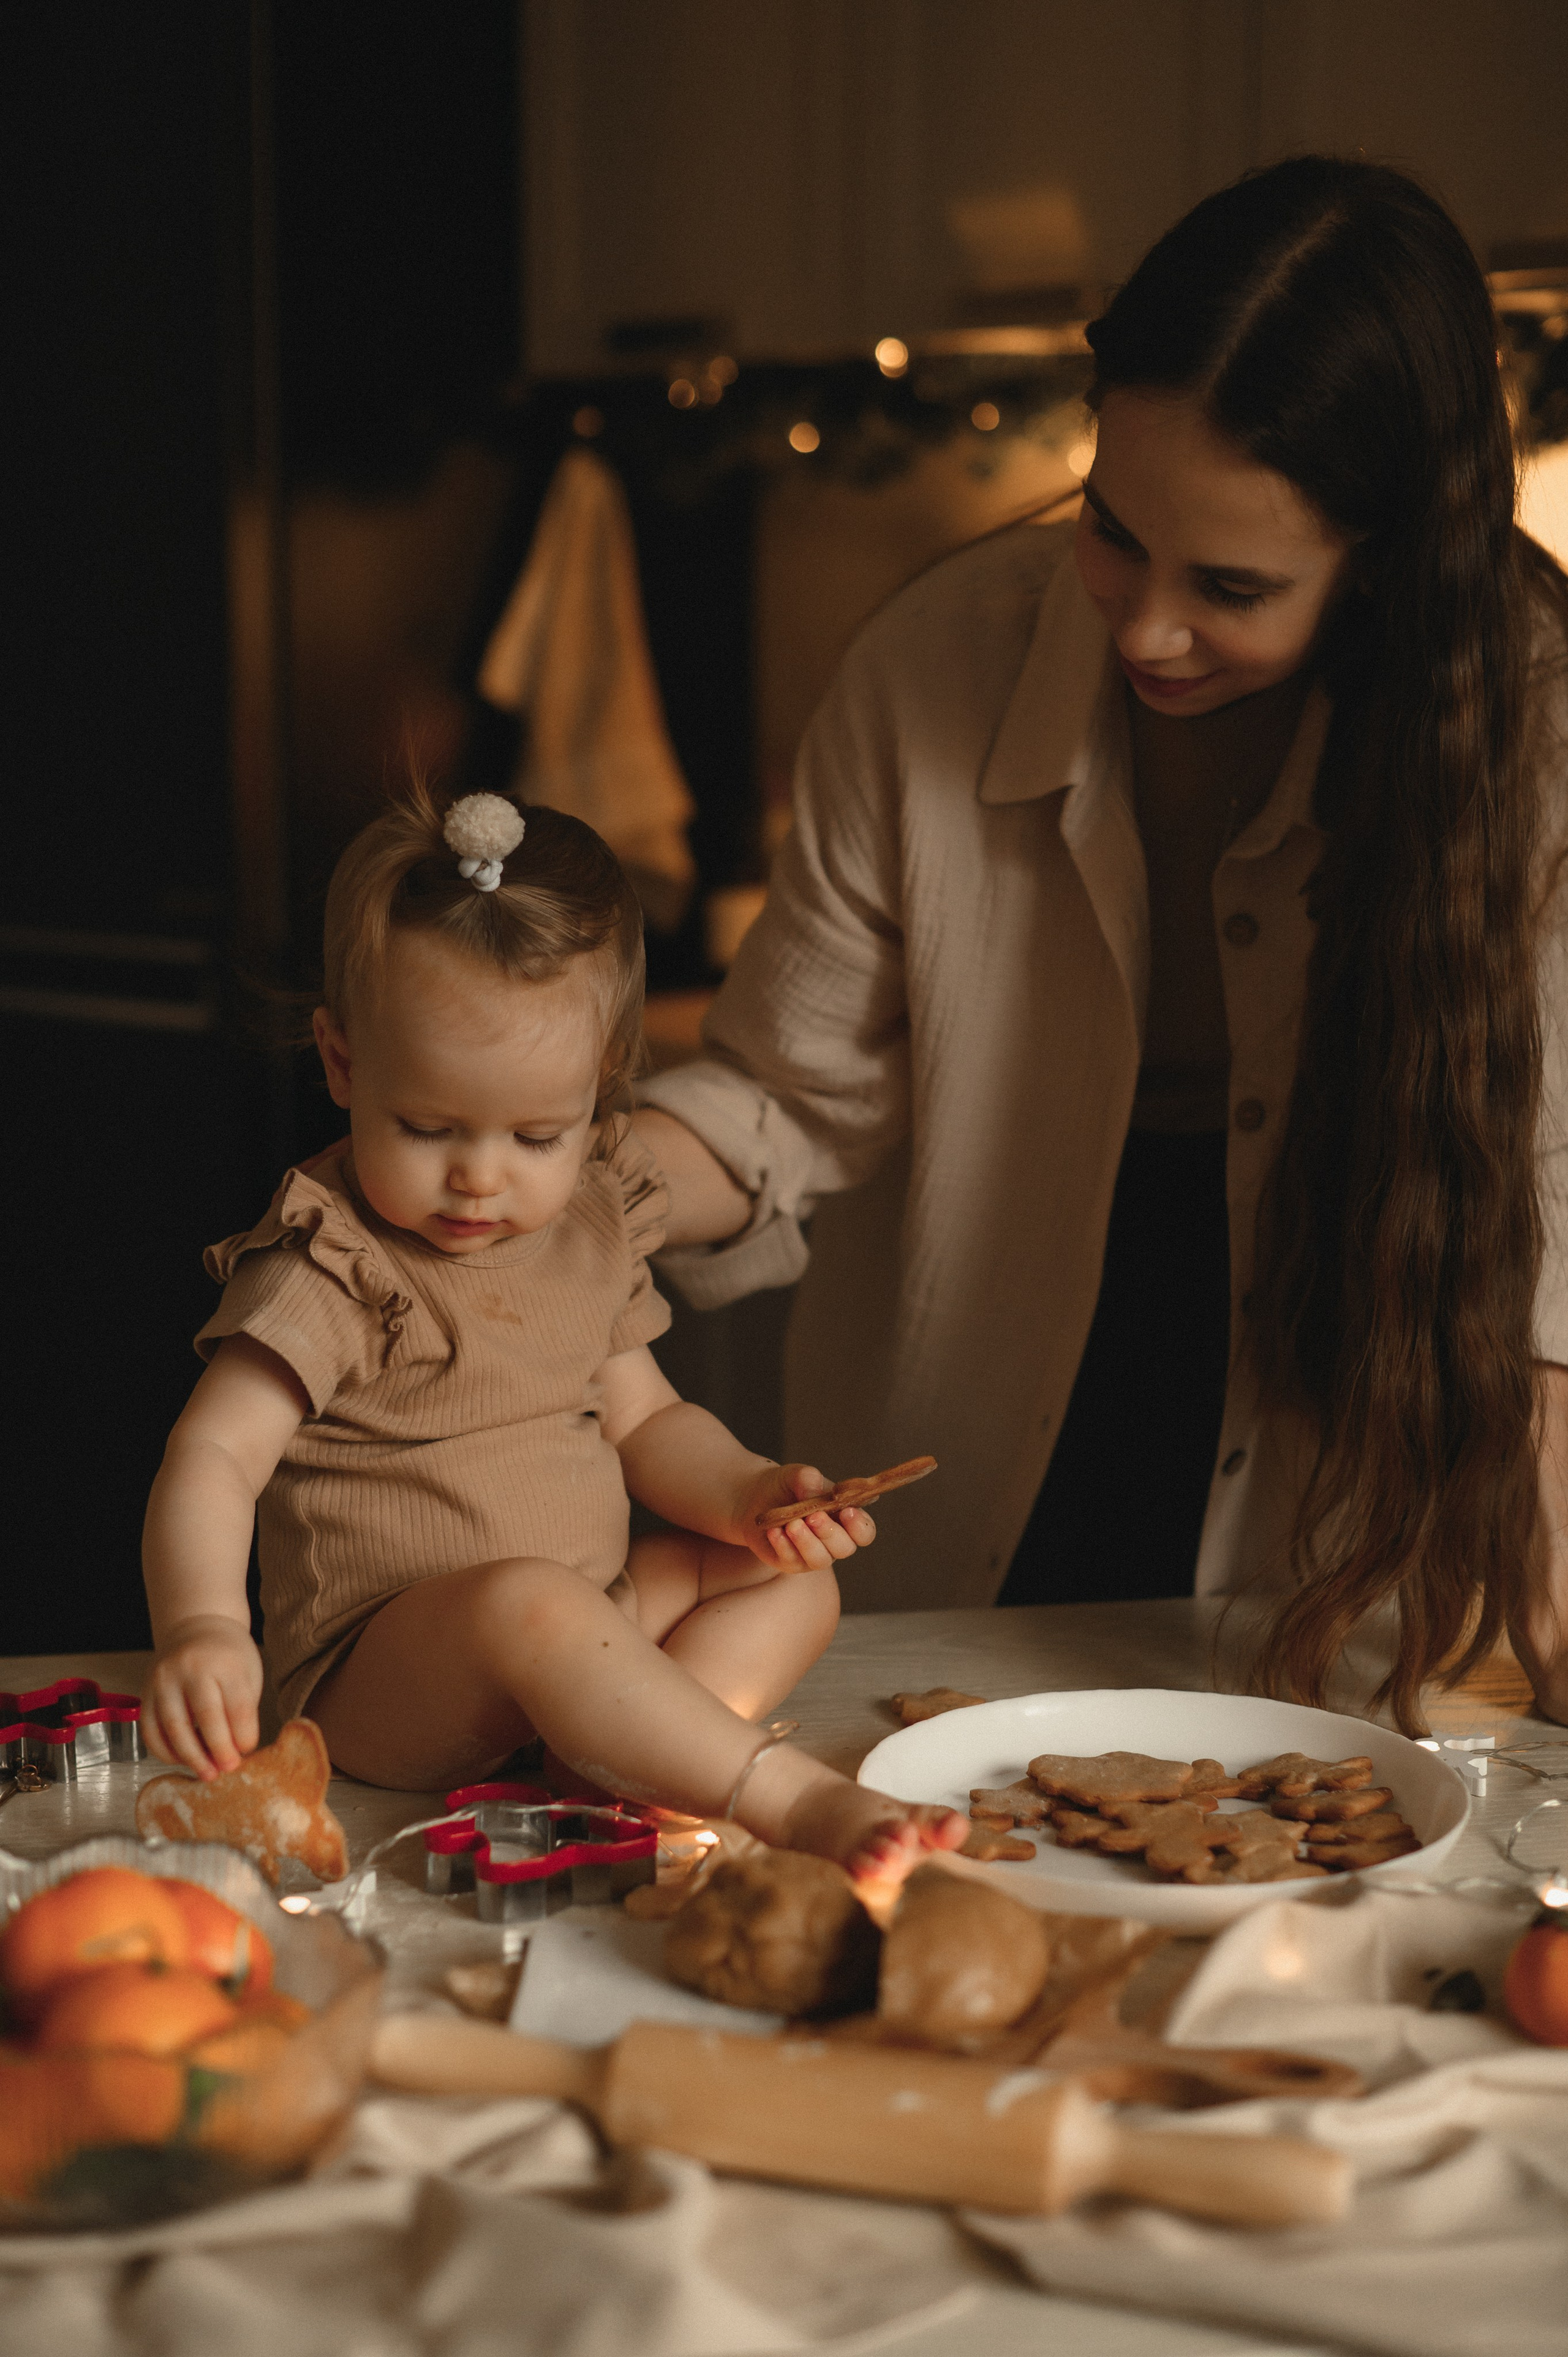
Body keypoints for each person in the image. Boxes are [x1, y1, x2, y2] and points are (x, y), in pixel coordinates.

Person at [633, 157, 1568, 1733]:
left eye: (1231, 587)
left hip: (1331, 1426)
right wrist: (576, 1191)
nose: (1142, 627)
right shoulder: (932, 659)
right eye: (1114, 533)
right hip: (973, 1386)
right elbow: (786, 1092)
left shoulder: (1534, 725)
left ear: (1385, 568)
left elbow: (1545, 1189)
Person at [138, 784, 968, 1878]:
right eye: (427, 1127)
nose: (481, 1178)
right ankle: (781, 1795)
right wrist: (203, 1626)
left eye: (539, 1133)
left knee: (789, 1582)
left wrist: (751, 1494)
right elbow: (211, 1458)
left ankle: (624, 1760)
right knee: (535, 1602)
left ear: (601, 1087)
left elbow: (650, 1421)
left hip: (586, 1617)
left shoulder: (587, 1227)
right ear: (343, 1065)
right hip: (389, 1678)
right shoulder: (331, 1262)